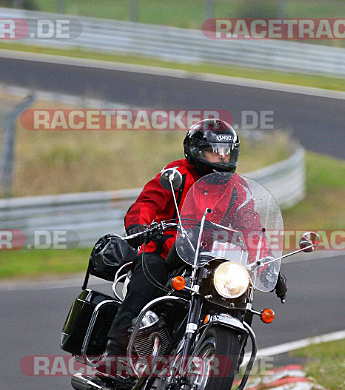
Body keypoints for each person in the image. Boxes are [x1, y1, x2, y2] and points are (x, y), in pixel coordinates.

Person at [100, 119, 288, 365]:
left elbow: (252, 227)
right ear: (196, 151)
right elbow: (146, 203)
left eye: (226, 153)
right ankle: (114, 354)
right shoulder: (176, 175)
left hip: (209, 261)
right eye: (214, 152)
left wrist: (267, 265)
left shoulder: (236, 189)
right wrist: (140, 225)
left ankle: (221, 378)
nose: (221, 159)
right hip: (166, 251)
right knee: (148, 273)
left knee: (240, 295)